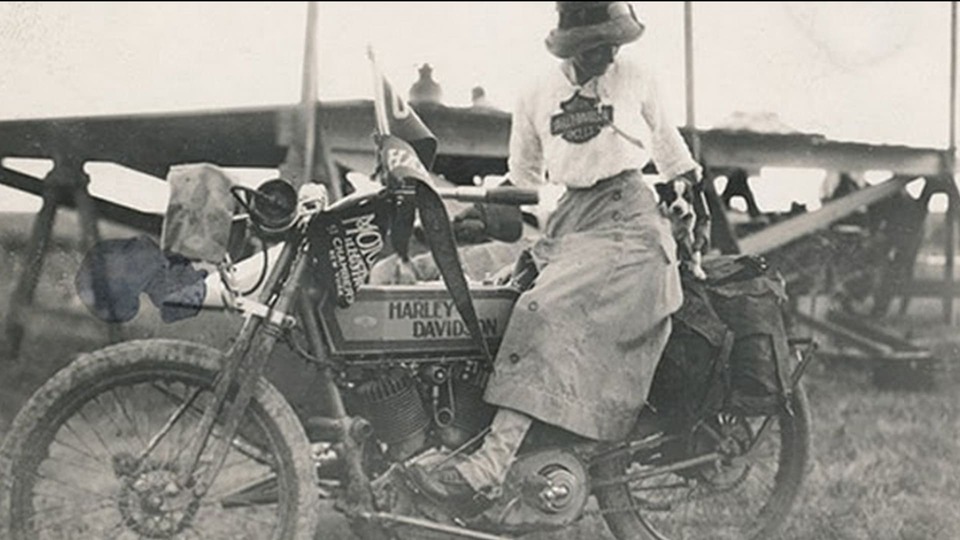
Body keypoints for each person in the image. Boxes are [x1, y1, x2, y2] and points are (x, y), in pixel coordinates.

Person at [412, 0, 708, 509]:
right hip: (571, 220)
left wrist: (689, 204)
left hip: (632, 224)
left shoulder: (635, 75)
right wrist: (470, 219)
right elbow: (522, 182)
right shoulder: (535, 92)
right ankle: (447, 442)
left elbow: (670, 150)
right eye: (598, 46)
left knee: (543, 309)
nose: (609, 54)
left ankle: (490, 465)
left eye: (616, 42)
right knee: (494, 302)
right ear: (571, 43)